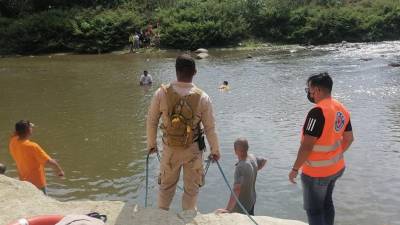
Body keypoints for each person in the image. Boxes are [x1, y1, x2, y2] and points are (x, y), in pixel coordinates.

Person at [146, 54, 220, 211]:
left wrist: (151, 144)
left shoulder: (161, 93)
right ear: (195, 72)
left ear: (176, 70)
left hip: (170, 150)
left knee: (166, 188)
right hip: (193, 151)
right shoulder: (203, 97)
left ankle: (161, 217)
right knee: (191, 191)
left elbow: (151, 121)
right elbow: (210, 128)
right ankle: (187, 218)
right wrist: (215, 150)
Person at [289, 72, 354, 225]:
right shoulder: (342, 109)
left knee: (314, 210)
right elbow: (349, 139)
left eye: (309, 89)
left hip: (316, 173)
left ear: (317, 90)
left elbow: (306, 146)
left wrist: (295, 168)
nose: (309, 93)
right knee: (327, 203)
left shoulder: (317, 112)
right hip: (336, 169)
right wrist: (334, 155)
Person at [9, 120, 65, 194]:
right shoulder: (32, 146)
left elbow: (15, 134)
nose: (32, 129)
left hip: (24, 181)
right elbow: (49, 161)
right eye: (31, 127)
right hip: (37, 183)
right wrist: (59, 171)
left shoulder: (13, 141)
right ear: (28, 130)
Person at [215, 138, 267, 215]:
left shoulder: (240, 167)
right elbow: (264, 160)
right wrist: (252, 171)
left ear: (235, 151)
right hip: (252, 200)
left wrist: (228, 209)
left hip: (242, 207)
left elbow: (237, 189)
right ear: (247, 148)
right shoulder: (252, 157)